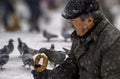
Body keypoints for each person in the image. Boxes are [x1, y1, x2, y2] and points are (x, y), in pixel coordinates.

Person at [31, 0, 120, 79]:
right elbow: (71, 67)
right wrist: (48, 76)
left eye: (73, 20)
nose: (69, 24)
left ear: (89, 21)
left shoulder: (113, 43)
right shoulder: (82, 35)